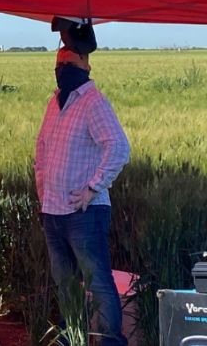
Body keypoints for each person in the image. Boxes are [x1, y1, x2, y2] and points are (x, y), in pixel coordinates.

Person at [34, 28, 130, 345]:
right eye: (58, 64)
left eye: (69, 64)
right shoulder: (54, 101)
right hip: (53, 209)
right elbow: (42, 151)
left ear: (85, 65)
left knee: (98, 281)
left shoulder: (93, 102)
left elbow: (118, 147)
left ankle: (109, 341)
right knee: (64, 281)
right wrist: (42, 192)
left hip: (83, 211)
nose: (62, 69)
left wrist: (93, 187)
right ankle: (71, 336)